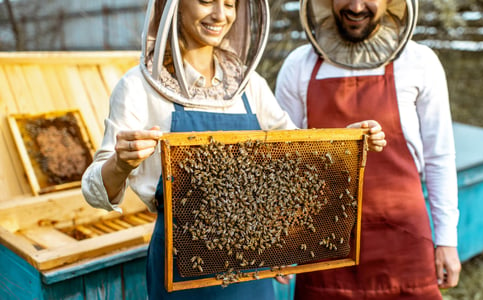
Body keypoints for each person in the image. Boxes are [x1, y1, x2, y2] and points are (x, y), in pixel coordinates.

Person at [81, 0, 386, 299]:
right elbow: (94, 191)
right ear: (173, 6)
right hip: (181, 272)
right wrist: (121, 163)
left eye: (230, 4)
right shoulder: (138, 87)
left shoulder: (248, 85)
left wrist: (344, 143)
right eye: (207, 1)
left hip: (252, 269)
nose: (220, 14)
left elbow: (297, 158)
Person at [275, 0, 461, 299]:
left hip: (403, 241)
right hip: (324, 244)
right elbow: (282, 159)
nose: (357, 5)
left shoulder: (419, 61)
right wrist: (281, 239)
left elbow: (439, 156)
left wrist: (447, 240)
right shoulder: (299, 64)